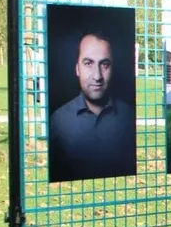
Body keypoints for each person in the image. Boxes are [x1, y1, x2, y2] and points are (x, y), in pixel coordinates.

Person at [49, 29, 137, 182]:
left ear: (113, 68)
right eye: (88, 63)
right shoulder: (57, 121)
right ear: (77, 69)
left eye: (104, 64)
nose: (97, 76)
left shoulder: (130, 117)